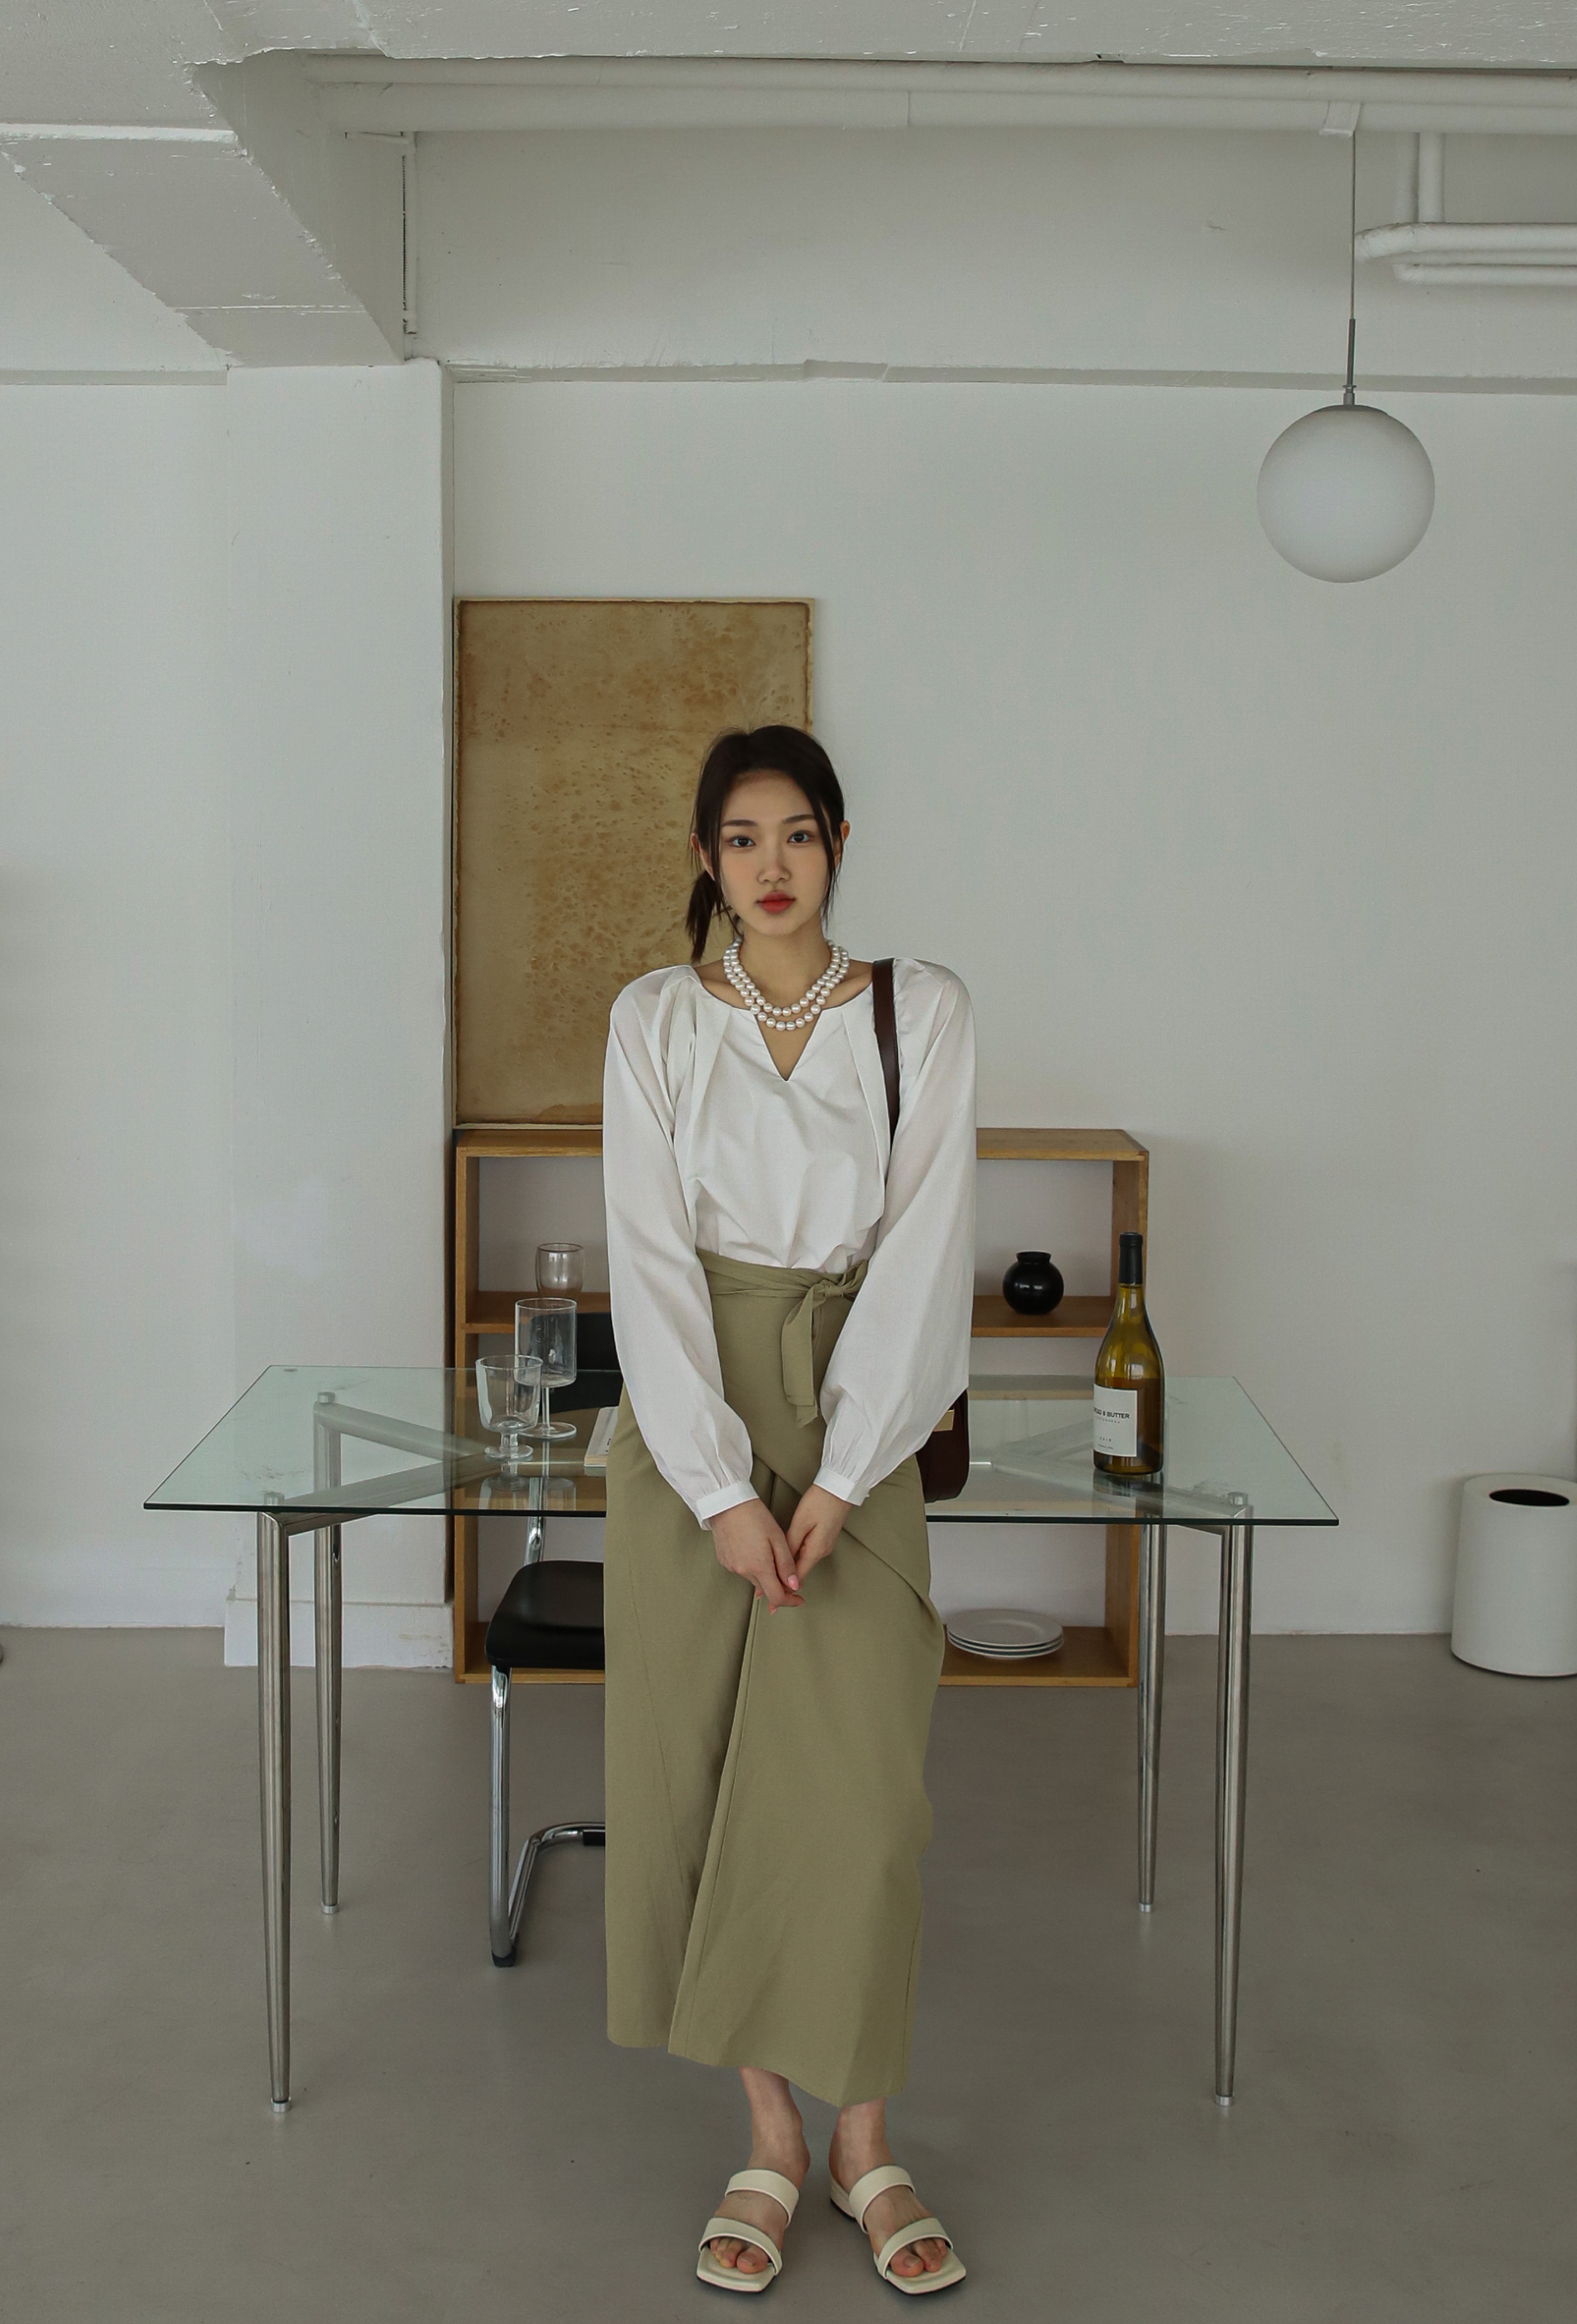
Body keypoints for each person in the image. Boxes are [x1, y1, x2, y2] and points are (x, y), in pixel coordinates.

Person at [601, 723, 976, 2297]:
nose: (771, 868)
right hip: (691, 1424)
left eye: (800, 836)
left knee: (862, 1803)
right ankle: (768, 2131)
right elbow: (644, 1258)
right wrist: (710, 1491)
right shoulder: (651, 1023)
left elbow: (927, 1244)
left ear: (837, 846)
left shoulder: (921, 1011)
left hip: (854, 1410)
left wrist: (833, 1474)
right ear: (704, 858)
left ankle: (864, 2136)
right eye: (741, 839)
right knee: (692, 1789)